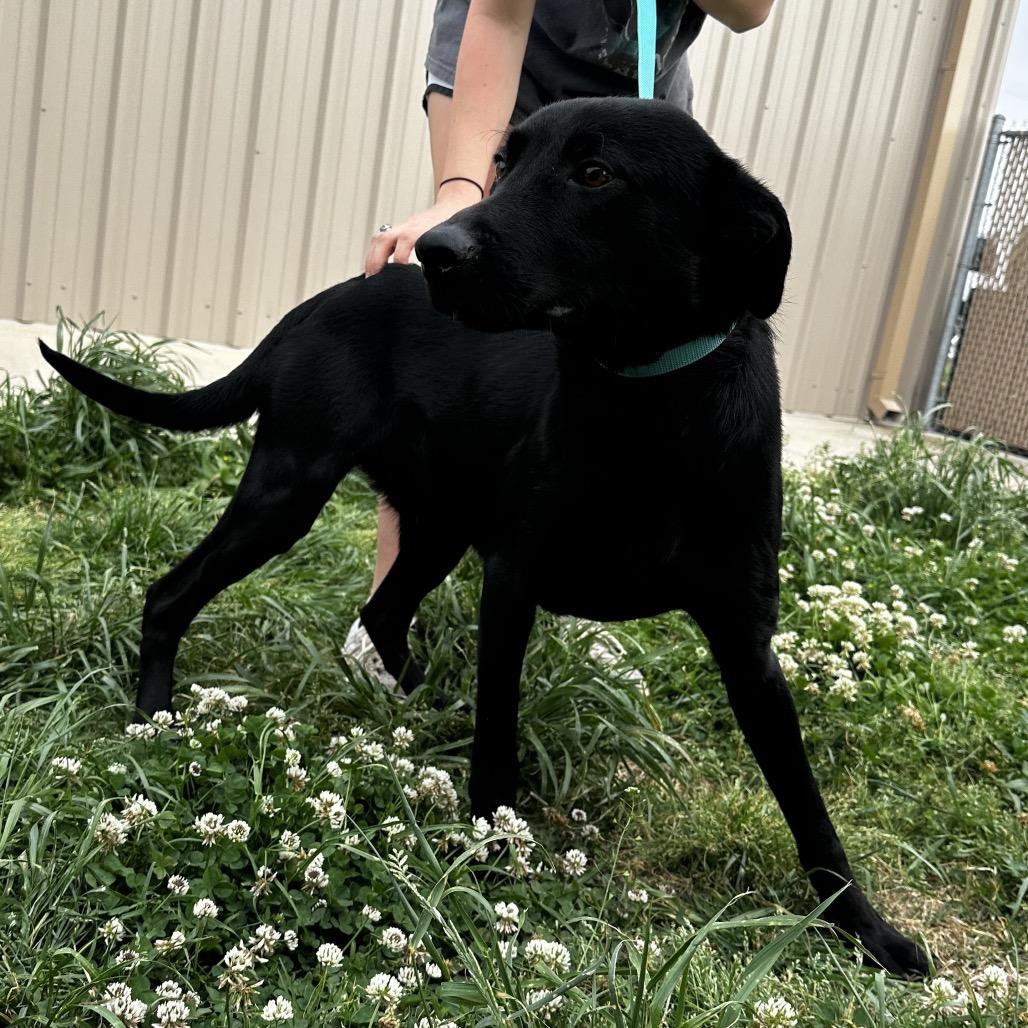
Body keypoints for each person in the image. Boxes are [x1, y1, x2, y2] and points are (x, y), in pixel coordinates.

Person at [346, 0, 775, 676]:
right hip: (513, 79)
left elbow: (750, 11)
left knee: (625, 357)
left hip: (637, 94)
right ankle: (386, 614)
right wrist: (463, 187)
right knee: (470, 351)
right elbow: (498, 14)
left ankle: (585, 586)